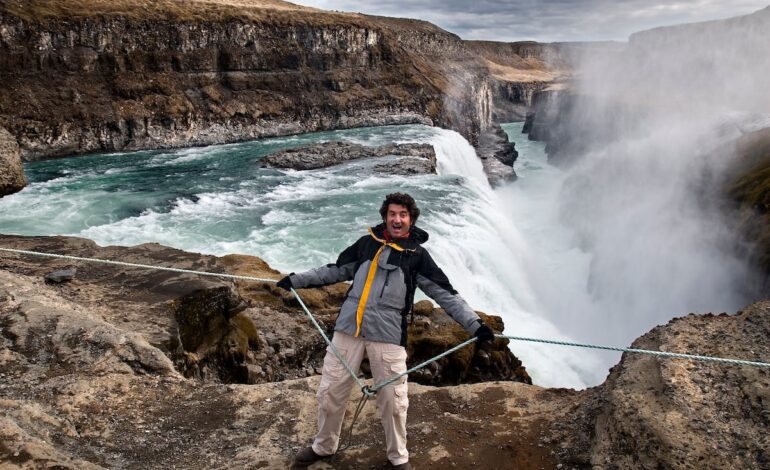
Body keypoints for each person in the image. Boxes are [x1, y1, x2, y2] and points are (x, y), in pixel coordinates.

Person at [277, 192, 495, 469]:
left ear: (411, 219)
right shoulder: (367, 244)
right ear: (385, 217)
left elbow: (445, 294)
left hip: (388, 335)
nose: (397, 219)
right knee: (330, 391)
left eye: (403, 214)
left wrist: (475, 324)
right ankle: (324, 446)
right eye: (392, 214)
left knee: (393, 402)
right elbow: (336, 270)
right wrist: (296, 280)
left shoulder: (418, 257)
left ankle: (398, 457)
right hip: (348, 330)